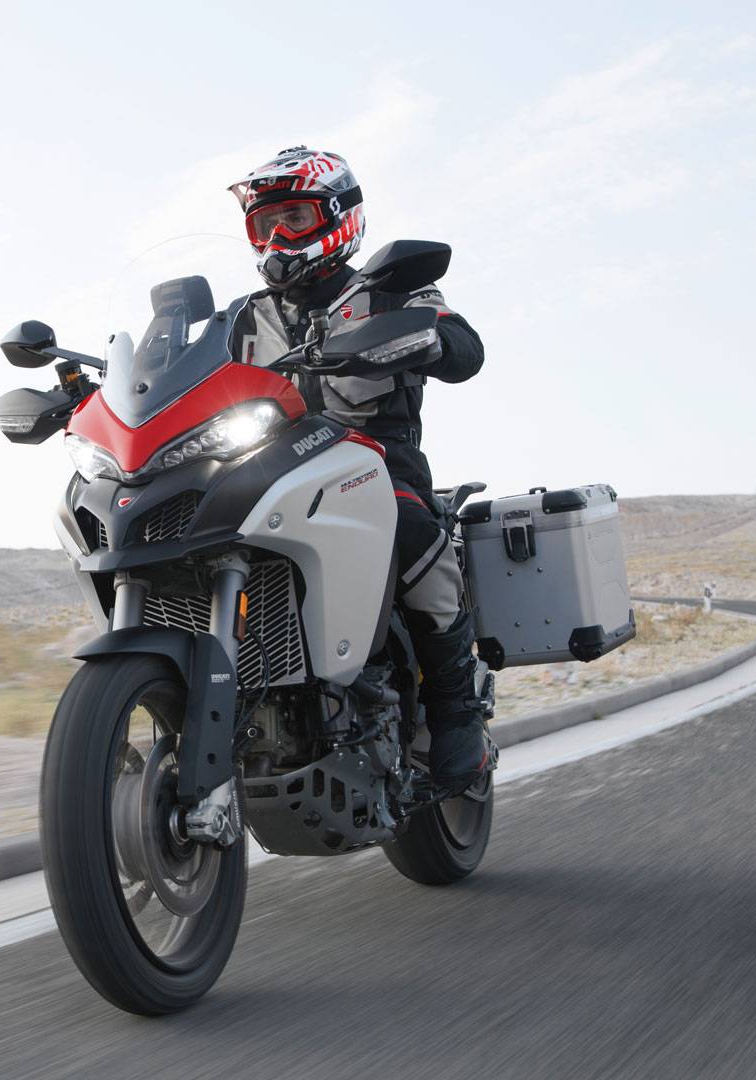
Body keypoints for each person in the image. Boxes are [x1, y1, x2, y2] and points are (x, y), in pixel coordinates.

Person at [227, 146, 490, 791]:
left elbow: (465, 347)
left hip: (375, 461)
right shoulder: (242, 317)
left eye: (294, 217)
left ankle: (455, 706)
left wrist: (427, 337)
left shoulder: (387, 289)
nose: (279, 237)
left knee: (410, 527)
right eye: (266, 224)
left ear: (336, 217)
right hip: (269, 473)